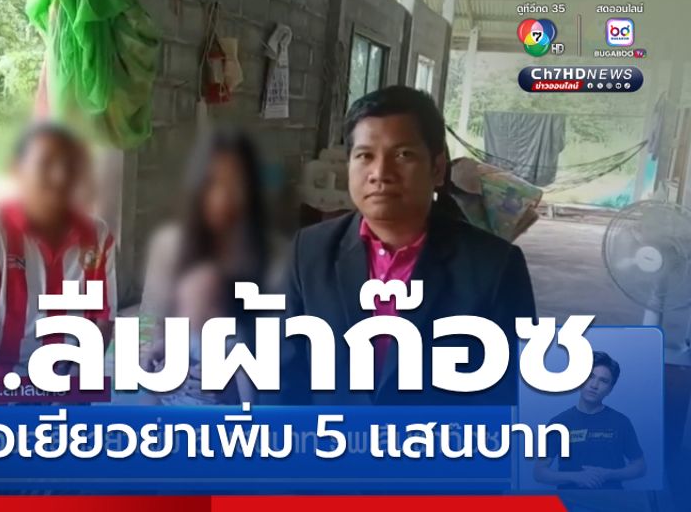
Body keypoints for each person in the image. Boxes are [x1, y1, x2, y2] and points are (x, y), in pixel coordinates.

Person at [281, 85, 536, 405]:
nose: (380, 173)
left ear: (437, 168)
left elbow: (509, 394)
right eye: (365, 155)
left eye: (403, 155)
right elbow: (283, 377)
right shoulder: (309, 251)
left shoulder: (495, 267)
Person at [0, 122, 116, 399]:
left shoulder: (98, 236)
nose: (60, 177)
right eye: (46, 164)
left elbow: (103, 322)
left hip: (61, 381)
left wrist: (73, 391)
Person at [139, 128, 278, 368]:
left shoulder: (273, 254)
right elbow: (156, 324)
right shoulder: (169, 247)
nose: (223, 197)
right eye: (213, 183)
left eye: (235, 184)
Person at [145, 262, 253, 405]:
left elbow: (248, 393)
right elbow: (161, 348)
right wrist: (152, 358)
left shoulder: (234, 338)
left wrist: (242, 404)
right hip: (173, 402)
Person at [534, 351, 646, 489]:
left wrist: (609, 474)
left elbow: (640, 466)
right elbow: (539, 472)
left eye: (603, 381)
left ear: (610, 389)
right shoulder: (559, 423)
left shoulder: (621, 422)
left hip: (612, 499)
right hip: (571, 499)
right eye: (590, 377)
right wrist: (575, 477)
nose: (594, 385)